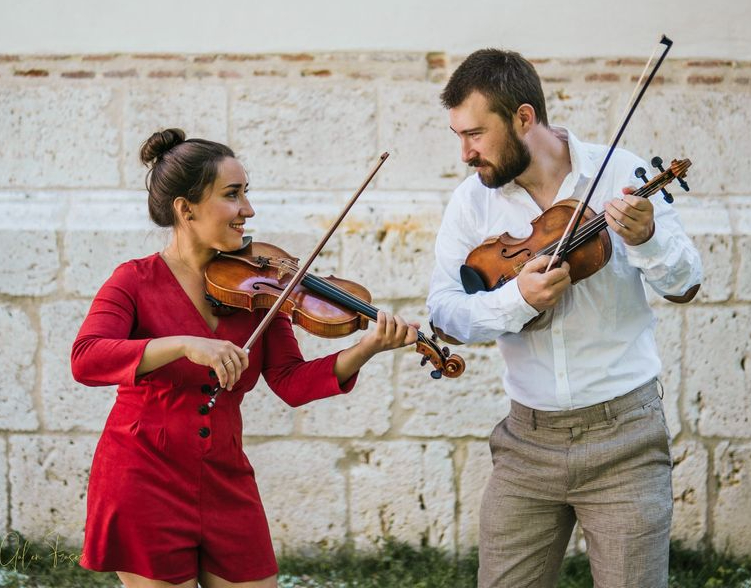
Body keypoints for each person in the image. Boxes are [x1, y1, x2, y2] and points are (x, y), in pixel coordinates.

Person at [71, 128, 418, 588]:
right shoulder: (134, 280)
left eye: (246, 193)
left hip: (225, 477)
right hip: (142, 476)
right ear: (186, 209)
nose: (248, 210)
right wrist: (183, 344)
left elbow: (290, 381)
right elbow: (87, 357)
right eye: (232, 195)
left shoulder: (257, 287)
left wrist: (365, 348)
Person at [427, 49, 702, 588]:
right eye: (458, 135)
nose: (465, 153)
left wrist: (647, 238)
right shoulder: (471, 202)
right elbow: (446, 313)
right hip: (526, 442)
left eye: (475, 134)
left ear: (523, 118)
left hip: (625, 439)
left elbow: (686, 284)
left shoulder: (618, 173)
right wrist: (518, 300)